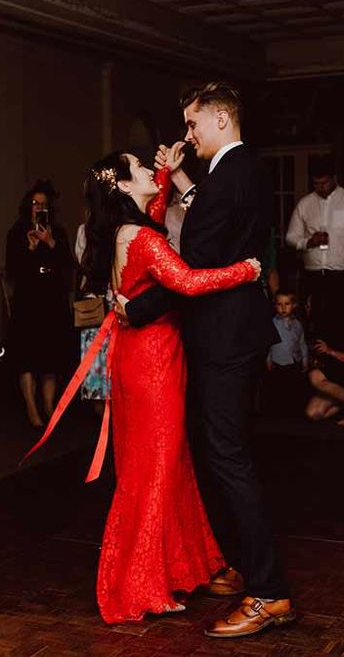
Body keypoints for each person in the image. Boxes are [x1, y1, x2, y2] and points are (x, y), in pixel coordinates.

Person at [120, 82, 293, 637]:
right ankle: (247, 565)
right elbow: (214, 228)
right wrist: (184, 178)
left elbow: (191, 270)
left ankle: (269, 592)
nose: (187, 135)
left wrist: (134, 309)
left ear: (221, 118)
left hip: (223, 337)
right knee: (223, 453)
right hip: (232, 333)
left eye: (193, 125)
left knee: (228, 457)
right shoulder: (241, 171)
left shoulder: (229, 176)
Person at [5, 180, 74, 428]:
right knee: (27, 357)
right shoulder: (17, 233)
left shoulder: (58, 233)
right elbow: (13, 270)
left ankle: (48, 405)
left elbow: (68, 265)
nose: (39, 208)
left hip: (52, 299)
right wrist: (31, 249)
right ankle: (32, 408)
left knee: (51, 356)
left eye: (44, 204)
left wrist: (51, 243)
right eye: (35, 203)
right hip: (28, 300)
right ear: (28, 207)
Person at [286, 157, 344, 345]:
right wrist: (308, 242)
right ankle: (313, 368)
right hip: (312, 276)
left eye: (324, 182)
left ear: (334, 178)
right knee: (312, 323)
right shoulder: (305, 204)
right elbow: (290, 238)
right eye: (316, 183)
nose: (320, 187)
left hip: (340, 275)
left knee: (338, 324)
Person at [74, 203, 109, 413]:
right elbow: (82, 261)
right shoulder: (83, 231)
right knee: (97, 357)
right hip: (94, 299)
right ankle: (100, 410)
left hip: (115, 298)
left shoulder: (120, 229)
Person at [263, 291, 308, 415]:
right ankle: (277, 412)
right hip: (278, 361)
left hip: (294, 361)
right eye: (279, 304)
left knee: (293, 387)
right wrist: (268, 359)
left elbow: (302, 342)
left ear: (294, 305)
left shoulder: (297, 324)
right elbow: (268, 343)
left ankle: (292, 411)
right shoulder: (272, 323)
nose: (283, 308)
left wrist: (305, 360)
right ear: (275, 306)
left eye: (287, 304)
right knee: (278, 388)